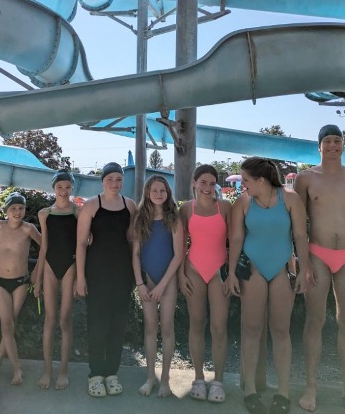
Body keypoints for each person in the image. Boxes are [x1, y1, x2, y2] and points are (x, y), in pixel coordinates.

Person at [293, 124, 345, 414]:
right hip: (317, 254)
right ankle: (310, 386)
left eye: (337, 141)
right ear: (319, 146)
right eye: (328, 141)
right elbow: (299, 224)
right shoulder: (305, 178)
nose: (333, 145)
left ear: (343, 145)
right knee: (315, 320)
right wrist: (302, 262)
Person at [225, 157, 311, 414]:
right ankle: (250, 390)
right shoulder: (243, 202)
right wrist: (231, 273)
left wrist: (304, 270)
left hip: (282, 270)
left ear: (261, 180)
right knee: (251, 329)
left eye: (246, 180)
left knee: (281, 331)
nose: (243, 184)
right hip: (253, 269)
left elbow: (300, 236)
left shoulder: (290, 199)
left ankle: (283, 392)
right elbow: (236, 238)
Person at [75, 162, 137, 398]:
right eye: (110, 179)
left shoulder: (130, 205)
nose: (114, 183)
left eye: (119, 179)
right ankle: (95, 374)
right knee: (97, 325)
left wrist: (135, 276)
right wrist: (80, 277)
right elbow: (81, 244)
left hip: (121, 273)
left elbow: (133, 242)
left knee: (117, 325)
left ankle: (112, 373)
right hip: (96, 273)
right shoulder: (91, 206)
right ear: (102, 181)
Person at [178, 164, 232, 403]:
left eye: (212, 183)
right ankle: (199, 378)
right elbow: (180, 245)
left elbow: (235, 240)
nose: (207, 188)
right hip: (194, 271)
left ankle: (218, 381)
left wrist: (232, 273)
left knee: (219, 328)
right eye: (203, 182)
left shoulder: (226, 207)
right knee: (197, 324)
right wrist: (181, 275)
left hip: (219, 272)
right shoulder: (186, 209)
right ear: (194, 183)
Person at [131, 175, 185, 398]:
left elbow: (179, 254)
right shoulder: (140, 218)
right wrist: (140, 284)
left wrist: (163, 285)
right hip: (147, 279)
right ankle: (150, 377)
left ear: (168, 193)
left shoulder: (174, 218)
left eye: (162, 190)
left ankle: (165, 380)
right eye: (154, 190)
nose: (158, 194)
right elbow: (135, 254)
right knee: (150, 328)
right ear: (147, 192)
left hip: (167, 280)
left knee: (167, 328)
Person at [0, 192, 42, 385]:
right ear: (6, 210)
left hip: (21, 283)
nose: (17, 212)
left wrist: (37, 271)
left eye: (21, 208)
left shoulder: (28, 229)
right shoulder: (0, 226)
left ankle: (5, 366)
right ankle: (11, 366)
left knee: (9, 325)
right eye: (13, 208)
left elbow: (45, 247)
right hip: (2, 282)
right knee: (7, 326)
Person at [34, 170, 80, 390]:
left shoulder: (78, 212)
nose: (64, 191)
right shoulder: (44, 213)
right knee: (49, 320)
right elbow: (44, 246)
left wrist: (80, 276)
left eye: (68, 187)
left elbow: (82, 245)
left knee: (64, 320)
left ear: (72, 188)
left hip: (70, 265)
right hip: (50, 266)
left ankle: (63, 371)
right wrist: (38, 277)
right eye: (60, 187)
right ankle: (47, 370)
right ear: (53, 188)